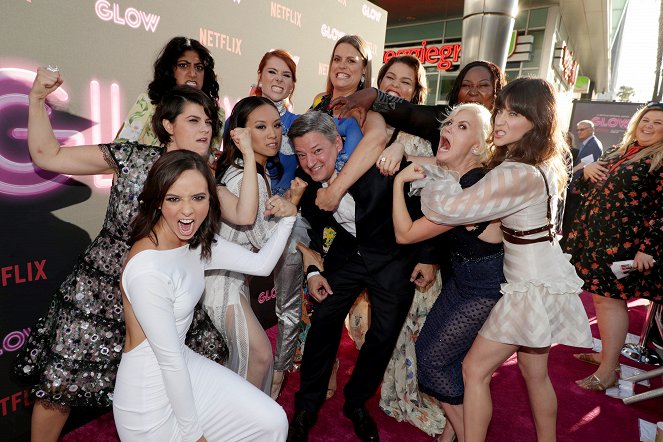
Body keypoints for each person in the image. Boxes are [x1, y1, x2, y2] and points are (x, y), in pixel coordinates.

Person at [12, 69, 258, 442]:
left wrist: (251, 156)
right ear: (167, 125)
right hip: (99, 295)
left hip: (161, 298)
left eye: (209, 121)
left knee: (181, 374)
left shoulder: (203, 176)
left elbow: (243, 215)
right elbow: (49, 154)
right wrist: (35, 100)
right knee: (59, 388)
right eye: (193, 120)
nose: (205, 129)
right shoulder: (130, 158)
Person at [413, 78, 592, 441]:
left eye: (514, 113)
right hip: (539, 273)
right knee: (534, 372)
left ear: (537, 121)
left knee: (474, 370)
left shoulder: (516, 172)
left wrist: (432, 174)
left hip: (526, 286)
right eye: (501, 110)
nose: (501, 120)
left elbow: (448, 207)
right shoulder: (537, 163)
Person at [114, 149, 293, 441]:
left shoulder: (196, 244)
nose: (188, 211)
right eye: (174, 199)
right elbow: (167, 361)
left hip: (184, 367)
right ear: (159, 200)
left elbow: (261, 265)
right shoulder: (147, 269)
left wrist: (288, 219)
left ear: (211, 200)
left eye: (198, 198)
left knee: (272, 422)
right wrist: (194, 435)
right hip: (147, 398)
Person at [286, 111, 431, 442]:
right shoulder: (303, 182)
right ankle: (306, 407)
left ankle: (356, 402)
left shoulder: (378, 165)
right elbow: (306, 233)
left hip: (394, 260)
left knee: (381, 338)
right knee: (323, 321)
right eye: (302, 154)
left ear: (338, 143)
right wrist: (311, 272)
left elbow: (424, 204)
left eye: (318, 150)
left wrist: (429, 258)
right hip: (347, 258)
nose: (310, 162)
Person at [391, 103, 504, 442]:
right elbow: (427, 164)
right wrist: (398, 149)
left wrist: (398, 183)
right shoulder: (458, 175)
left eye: (462, 127)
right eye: (449, 123)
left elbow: (405, 234)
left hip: (483, 292)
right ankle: (453, 433)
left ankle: (467, 435)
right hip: (462, 284)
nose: (449, 129)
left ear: (479, 145)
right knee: (439, 357)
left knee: (432, 363)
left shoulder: (473, 186)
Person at [203, 96, 298, 394]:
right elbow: (261, 239)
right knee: (258, 358)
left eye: (276, 126)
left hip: (231, 283)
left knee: (245, 361)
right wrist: (293, 207)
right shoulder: (249, 177)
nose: (273, 134)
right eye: (261, 126)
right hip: (220, 288)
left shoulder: (249, 172)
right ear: (240, 133)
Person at [566, 103, 662, 391]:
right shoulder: (619, 150)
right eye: (646, 119)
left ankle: (609, 370)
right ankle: (607, 356)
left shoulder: (659, 161)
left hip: (623, 245)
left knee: (610, 302)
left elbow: (661, 211)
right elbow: (580, 190)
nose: (649, 125)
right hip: (595, 238)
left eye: (659, 123)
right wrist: (586, 171)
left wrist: (648, 248)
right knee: (600, 299)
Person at [331, 60, 506, 149]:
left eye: (483, 86)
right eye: (466, 85)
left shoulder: (504, 131)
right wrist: (374, 95)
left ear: (497, 92)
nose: (473, 91)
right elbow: (410, 113)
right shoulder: (444, 119)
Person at [310, 34, 388, 211]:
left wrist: (334, 191)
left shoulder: (365, 113)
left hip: (340, 208)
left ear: (363, 69)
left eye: (351, 61)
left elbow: (378, 139)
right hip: (306, 196)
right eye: (337, 59)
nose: (342, 66)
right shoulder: (319, 100)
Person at [115, 36, 225, 160]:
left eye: (199, 67)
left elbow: (209, 160)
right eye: (184, 65)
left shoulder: (216, 113)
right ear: (170, 70)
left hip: (192, 176)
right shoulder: (149, 102)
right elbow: (119, 150)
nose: (193, 74)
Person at [560, 120, 603, 244]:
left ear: (591, 129)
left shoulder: (593, 144)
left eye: (582, 129)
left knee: (571, 218)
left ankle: (566, 244)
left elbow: (585, 166)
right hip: (576, 186)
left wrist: (570, 175)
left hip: (579, 189)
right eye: (578, 129)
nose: (579, 132)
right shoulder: (588, 143)